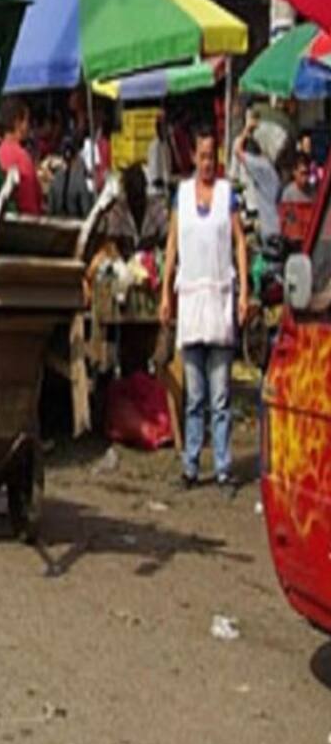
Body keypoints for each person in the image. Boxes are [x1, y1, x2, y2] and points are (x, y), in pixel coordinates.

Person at [160, 125, 250, 497]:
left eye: (212, 156)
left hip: (220, 300)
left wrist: (244, 292)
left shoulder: (228, 195)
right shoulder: (181, 196)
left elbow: (240, 243)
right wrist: (166, 293)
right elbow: (171, 247)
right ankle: (192, 464)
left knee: (220, 395)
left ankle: (225, 465)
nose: (207, 163)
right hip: (192, 301)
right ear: (193, 157)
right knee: (194, 395)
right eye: (202, 156)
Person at [234, 110, 282, 242]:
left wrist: (247, 128)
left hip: (269, 229)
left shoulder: (260, 165)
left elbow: (238, 151)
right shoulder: (268, 166)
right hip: (274, 226)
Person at [0, 97, 43, 215]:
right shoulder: (21, 158)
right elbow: (30, 206)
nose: (28, 127)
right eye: (26, 121)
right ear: (17, 123)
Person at [47, 135, 94, 219]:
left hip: (56, 226)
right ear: (76, 156)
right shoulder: (80, 181)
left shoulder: (55, 179)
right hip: (75, 227)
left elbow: (50, 210)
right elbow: (86, 212)